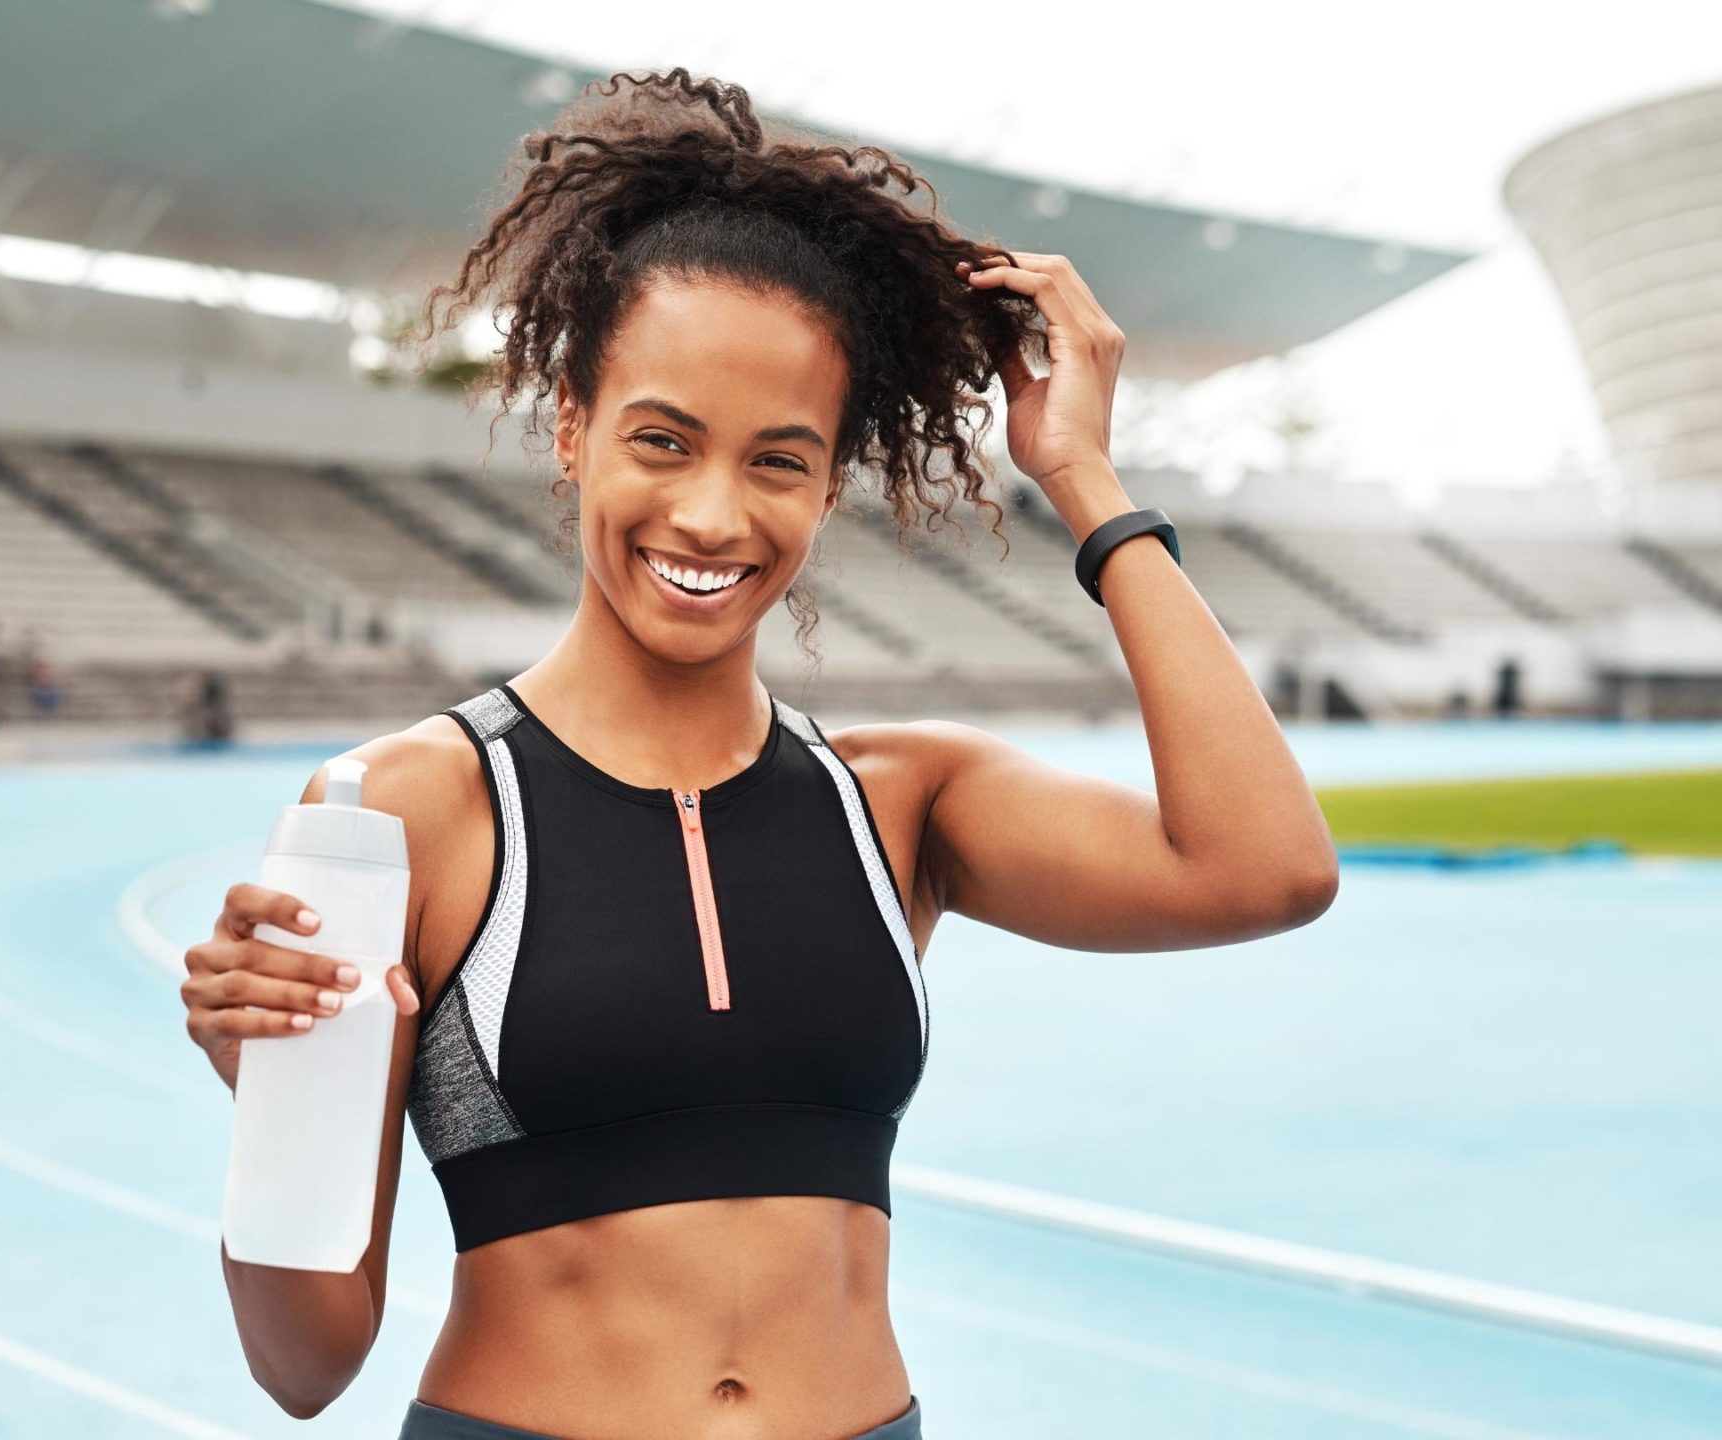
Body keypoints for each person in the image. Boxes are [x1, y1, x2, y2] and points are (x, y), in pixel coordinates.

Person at [176, 70, 1339, 1439]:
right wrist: (280, 1102)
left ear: (831, 479)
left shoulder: (900, 804)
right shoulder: (409, 809)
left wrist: (1083, 476)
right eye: (661, 441)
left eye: (779, 461)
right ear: (572, 428)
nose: (714, 515)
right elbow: (302, 1370)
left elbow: (1267, 871)